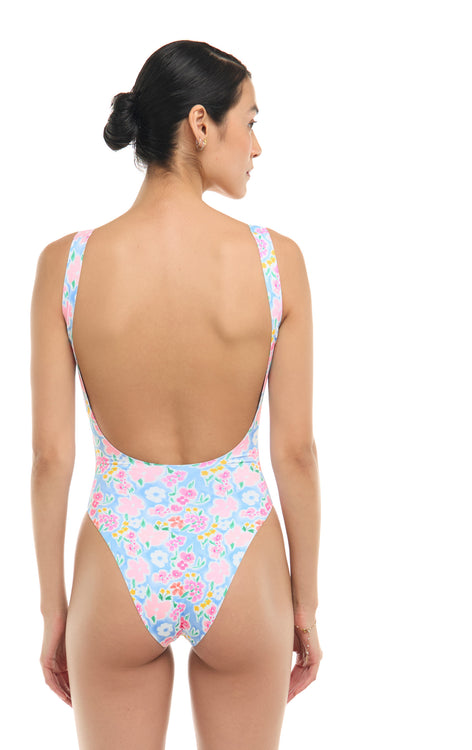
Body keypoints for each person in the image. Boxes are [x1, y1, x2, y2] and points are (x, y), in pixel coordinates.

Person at [30, 39, 322, 750]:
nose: (257, 146)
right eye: (250, 121)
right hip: (242, 556)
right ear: (200, 124)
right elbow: (296, 453)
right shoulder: (276, 263)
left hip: (117, 561)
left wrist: (55, 611)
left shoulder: (65, 266)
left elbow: (50, 459)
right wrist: (304, 606)